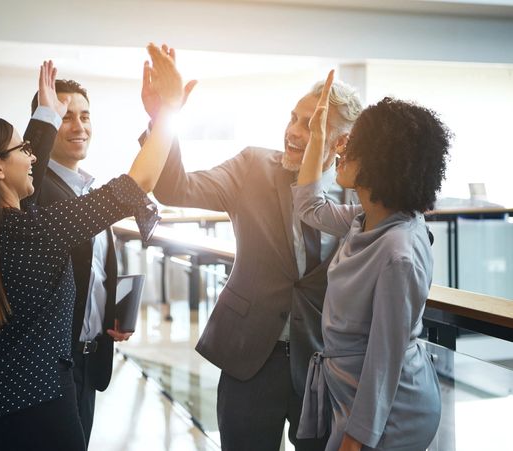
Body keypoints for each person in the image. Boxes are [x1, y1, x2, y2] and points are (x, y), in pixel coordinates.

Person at [0, 45, 183, 451]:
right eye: (23, 150)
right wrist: (168, 111)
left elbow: (25, 185)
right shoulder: (35, 233)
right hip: (39, 416)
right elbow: (139, 182)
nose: (33, 157)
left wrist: (46, 114)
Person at [146, 49, 363, 450]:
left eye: (311, 123)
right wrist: (164, 118)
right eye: (293, 118)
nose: (294, 131)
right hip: (250, 356)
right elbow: (174, 187)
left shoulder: (360, 194)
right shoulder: (252, 166)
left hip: (322, 365)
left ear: (341, 141)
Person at [293, 71, 448, 450]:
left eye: (355, 146)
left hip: (392, 412)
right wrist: (317, 137)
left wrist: (355, 439)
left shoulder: (399, 252)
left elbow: (384, 360)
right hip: (352, 393)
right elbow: (309, 206)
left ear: (381, 162)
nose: (342, 151)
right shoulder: (364, 219)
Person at [30, 79, 134, 445]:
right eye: (65, 117)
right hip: (50, 364)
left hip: (89, 359)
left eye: (85, 116)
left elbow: (94, 272)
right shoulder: (34, 189)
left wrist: (110, 315)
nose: (79, 127)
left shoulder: (88, 188)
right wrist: (44, 118)